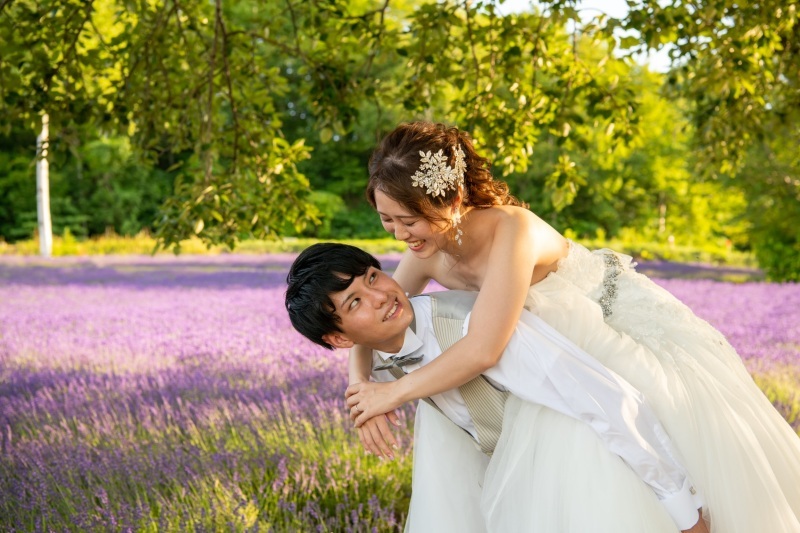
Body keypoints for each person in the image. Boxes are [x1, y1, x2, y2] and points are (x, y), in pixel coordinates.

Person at [345, 121, 800, 532]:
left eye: (410, 219)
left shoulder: (511, 229)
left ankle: (691, 518)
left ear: (455, 199)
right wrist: (361, 391)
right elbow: (370, 320)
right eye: (387, 220)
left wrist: (395, 392)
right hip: (537, 343)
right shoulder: (424, 247)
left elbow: (484, 347)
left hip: (605, 323)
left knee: (613, 448)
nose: (400, 234)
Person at [285, 242, 707, 532]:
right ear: (339, 340)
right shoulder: (377, 352)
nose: (380, 296)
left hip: (592, 470)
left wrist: (684, 511)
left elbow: (604, 400)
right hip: (517, 485)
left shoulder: (476, 325)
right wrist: (362, 401)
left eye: (373, 276)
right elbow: (362, 354)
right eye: (354, 301)